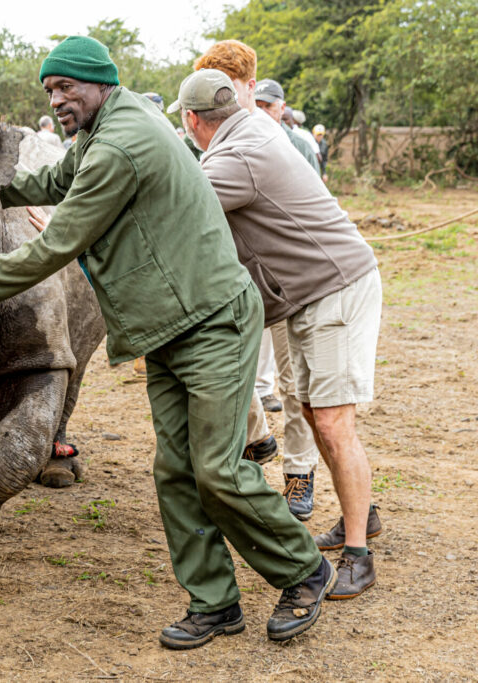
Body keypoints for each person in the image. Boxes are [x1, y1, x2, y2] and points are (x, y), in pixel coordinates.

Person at [0, 35, 331, 649]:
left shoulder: (122, 142)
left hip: (210, 320)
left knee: (217, 468)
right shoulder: (103, 129)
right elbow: (58, 176)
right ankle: (214, 601)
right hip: (167, 325)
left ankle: (304, 571)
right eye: (50, 91)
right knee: (175, 470)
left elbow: (59, 243)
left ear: (100, 82)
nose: (58, 100)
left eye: (67, 88)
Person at [180, 68, 383, 600]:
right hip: (315, 290)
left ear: (191, 119)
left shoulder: (232, 159)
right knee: (317, 413)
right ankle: (361, 514)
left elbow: (175, 211)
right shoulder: (252, 129)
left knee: (334, 422)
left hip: (333, 288)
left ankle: (359, 553)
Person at [195, 42, 319, 515]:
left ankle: (298, 475)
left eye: (232, 88)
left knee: (294, 381)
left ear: (248, 87)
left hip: (288, 278)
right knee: (230, 368)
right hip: (236, 279)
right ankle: (257, 438)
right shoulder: (207, 133)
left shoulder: (269, 138)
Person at [253, 80, 321, 175]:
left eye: (269, 106)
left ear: (282, 108)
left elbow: (316, 188)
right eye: (258, 107)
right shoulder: (242, 143)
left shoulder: (301, 147)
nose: (262, 112)